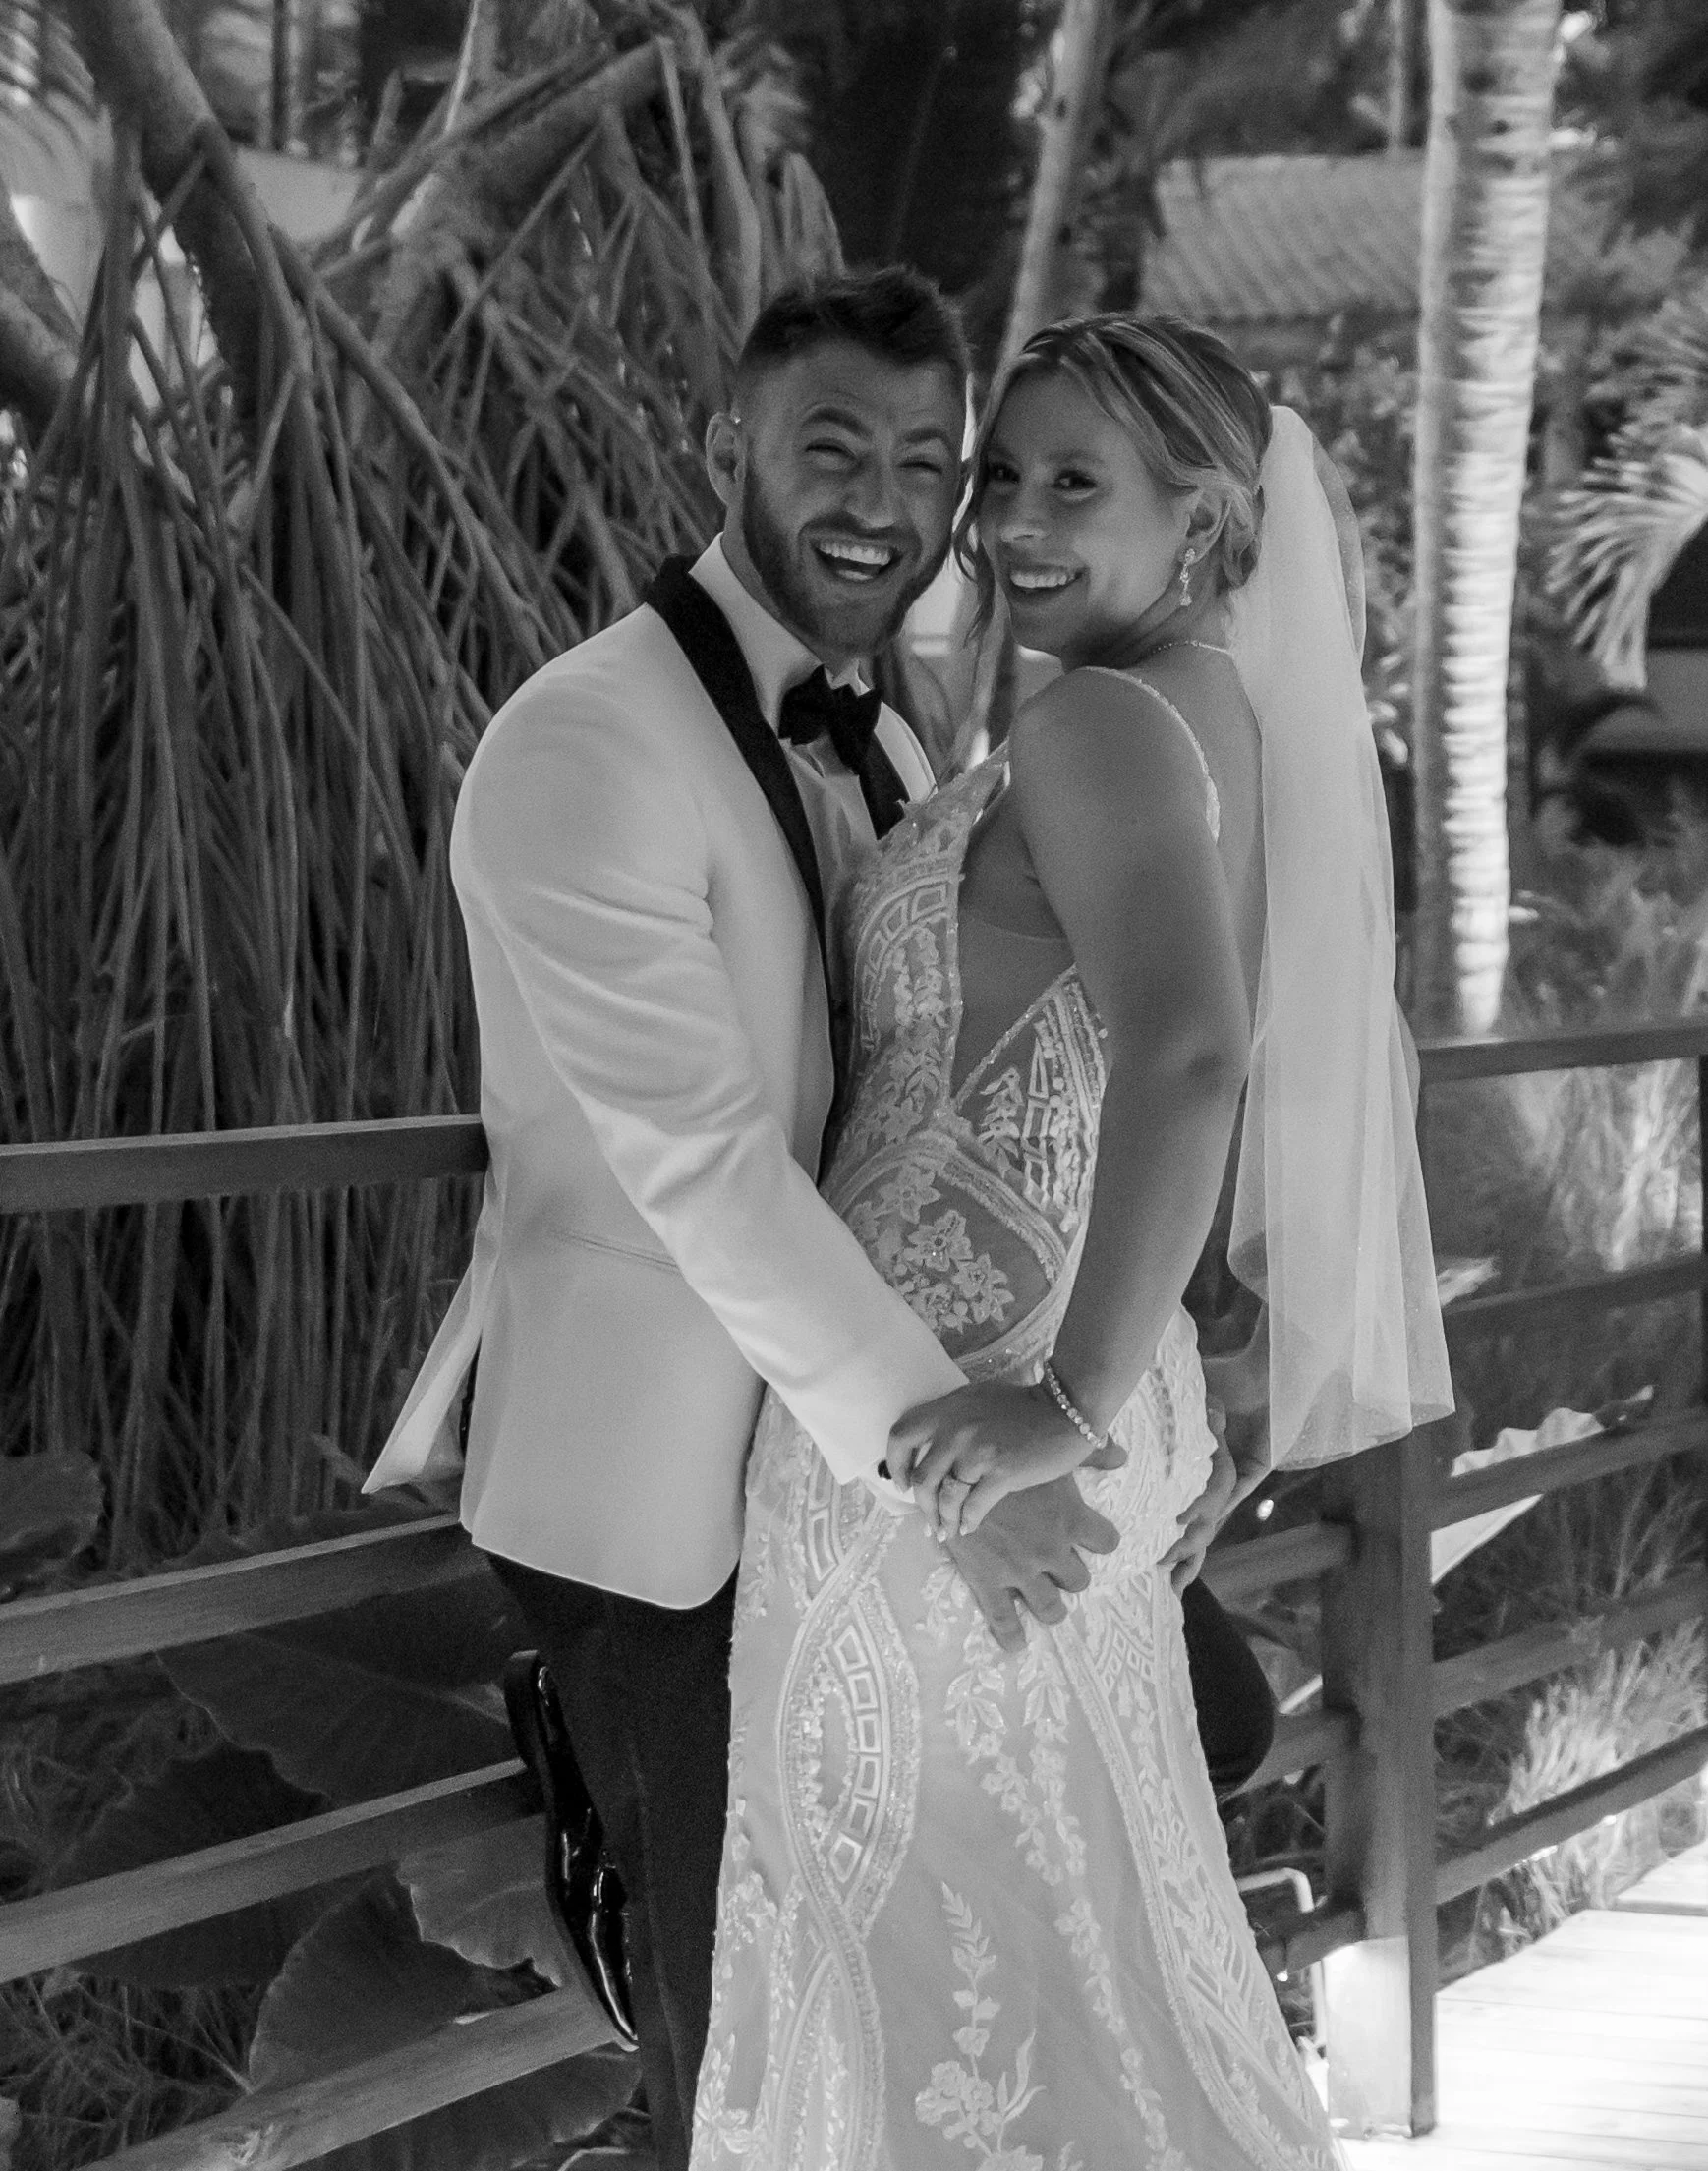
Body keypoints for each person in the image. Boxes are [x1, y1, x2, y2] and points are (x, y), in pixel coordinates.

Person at [364, 273, 1274, 2171]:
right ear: (728, 451)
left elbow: (1078, 1055)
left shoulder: (929, 731)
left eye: (932, 461)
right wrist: (983, 1462)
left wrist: (1119, 1380)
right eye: (832, 447)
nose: (899, 500)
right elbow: (700, 1155)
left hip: (885, 1465)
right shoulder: (582, 745)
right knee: (754, 2038)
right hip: (680, 1493)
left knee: (928, 1998)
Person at [688, 314, 1453, 2169]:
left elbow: (1191, 1057)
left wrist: (1073, 1401)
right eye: (1004, 475)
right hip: (1010, 1390)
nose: (1011, 524)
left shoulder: (1099, 717)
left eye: (1073, 485)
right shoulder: (1210, 713)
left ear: (1203, 514)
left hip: (962, 1420)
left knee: (909, 1954)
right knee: (1058, 1949)